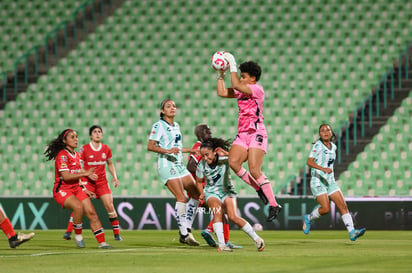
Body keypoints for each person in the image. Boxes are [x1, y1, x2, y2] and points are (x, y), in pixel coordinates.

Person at [216, 52, 282, 221]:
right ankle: (258, 188)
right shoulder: (241, 90)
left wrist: (231, 64)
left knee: (254, 169)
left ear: (253, 78)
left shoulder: (257, 90)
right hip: (242, 134)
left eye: (243, 76)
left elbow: (237, 85)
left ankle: (274, 205)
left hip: (256, 132)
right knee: (234, 162)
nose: (241, 79)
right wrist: (221, 75)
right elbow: (222, 92)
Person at [44, 128, 112, 249]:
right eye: (72, 137)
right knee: (78, 207)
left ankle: (102, 243)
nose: (76, 139)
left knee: (92, 213)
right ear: (64, 141)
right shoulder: (62, 156)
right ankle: (78, 237)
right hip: (62, 190)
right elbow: (66, 176)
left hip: (76, 188)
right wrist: (85, 173)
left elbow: (76, 172)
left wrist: (83, 188)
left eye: (76, 136)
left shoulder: (76, 155)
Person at [196, 137, 265, 252]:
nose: (205, 158)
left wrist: (227, 153)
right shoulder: (201, 165)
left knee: (233, 217)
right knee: (217, 212)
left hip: (227, 191)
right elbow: (198, 182)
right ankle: (222, 245)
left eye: (207, 154)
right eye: (203, 155)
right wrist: (201, 193)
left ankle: (257, 239)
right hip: (211, 192)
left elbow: (243, 159)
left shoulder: (225, 159)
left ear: (214, 151)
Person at [147, 99, 201, 246]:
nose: (172, 108)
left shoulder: (176, 125)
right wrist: (167, 151)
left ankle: (187, 227)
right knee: (182, 198)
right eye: (168, 106)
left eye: (174, 106)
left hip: (179, 164)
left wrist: (190, 150)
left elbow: (177, 147)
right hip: (166, 164)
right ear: (163, 111)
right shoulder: (159, 125)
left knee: (196, 193)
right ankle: (184, 233)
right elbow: (150, 146)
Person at [303, 124, 366, 241]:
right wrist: (323, 169)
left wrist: (327, 171)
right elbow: (309, 162)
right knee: (326, 209)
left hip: (330, 181)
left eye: (328, 130)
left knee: (342, 205)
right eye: (322, 130)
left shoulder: (334, 147)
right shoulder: (317, 145)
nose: (326, 132)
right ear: (319, 134)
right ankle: (309, 217)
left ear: (331, 133)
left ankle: (352, 232)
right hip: (318, 180)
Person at [63, 125, 122, 241]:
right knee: (80, 205)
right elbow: (78, 166)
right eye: (95, 132)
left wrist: (115, 177)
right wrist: (87, 174)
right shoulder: (84, 149)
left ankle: (117, 235)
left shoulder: (106, 149)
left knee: (110, 205)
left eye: (100, 132)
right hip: (87, 182)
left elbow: (110, 163)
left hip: (102, 183)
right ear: (91, 135)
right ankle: (69, 232)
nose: (98, 133)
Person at [187, 124, 241, 249]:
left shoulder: (208, 148)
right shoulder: (198, 147)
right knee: (223, 211)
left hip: (209, 188)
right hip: (205, 189)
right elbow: (190, 166)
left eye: (210, 131)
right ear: (200, 134)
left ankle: (222, 239)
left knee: (223, 213)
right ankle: (210, 231)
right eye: (207, 131)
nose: (210, 133)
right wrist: (207, 174)